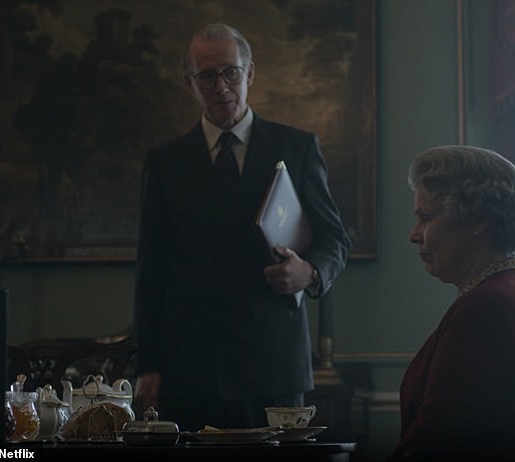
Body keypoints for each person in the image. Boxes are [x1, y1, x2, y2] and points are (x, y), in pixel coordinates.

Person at [132, 23, 351, 431]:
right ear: (189, 83)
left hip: (273, 363)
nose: (221, 86)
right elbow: (152, 269)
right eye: (207, 76)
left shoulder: (297, 148)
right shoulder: (166, 162)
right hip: (191, 367)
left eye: (230, 72)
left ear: (249, 73)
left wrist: (311, 272)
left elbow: (335, 237)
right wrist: (148, 366)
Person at [388, 145, 515, 460]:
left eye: (426, 217)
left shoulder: (489, 305)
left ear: (478, 219)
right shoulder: (509, 289)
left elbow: (434, 442)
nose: (414, 234)